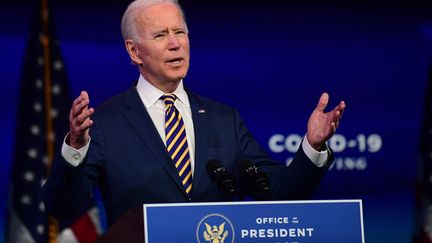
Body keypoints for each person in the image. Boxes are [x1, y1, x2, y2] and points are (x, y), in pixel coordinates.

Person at [43, 0, 345, 227]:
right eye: (161, 35)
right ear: (134, 52)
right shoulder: (106, 123)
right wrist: (75, 149)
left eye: (180, 32)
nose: (175, 43)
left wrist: (313, 146)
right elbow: (64, 209)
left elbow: (279, 194)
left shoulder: (224, 119)